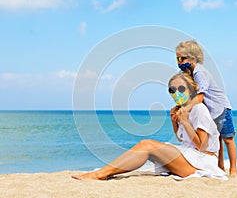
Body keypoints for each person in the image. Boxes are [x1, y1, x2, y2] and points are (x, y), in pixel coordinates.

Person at [72, 73, 226, 180]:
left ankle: (101, 174)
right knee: (149, 149)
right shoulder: (182, 110)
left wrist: (185, 121)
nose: (176, 94)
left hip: (202, 162)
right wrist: (175, 122)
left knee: (147, 145)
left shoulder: (199, 109)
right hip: (190, 156)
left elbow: (202, 145)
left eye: (181, 89)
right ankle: (105, 172)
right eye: (172, 90)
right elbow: (183, 139)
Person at [175, 40, 237, 176]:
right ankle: (220, 167)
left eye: (182, 58)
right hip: (209, 110)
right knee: (217, 140)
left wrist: (186, 109)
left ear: (193, 57)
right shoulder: (186, 72)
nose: (179, 62)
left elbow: (200, 97)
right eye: (177, 58)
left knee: (227, 138)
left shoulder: (199, 73)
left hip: (221, 108)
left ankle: (234, 169)